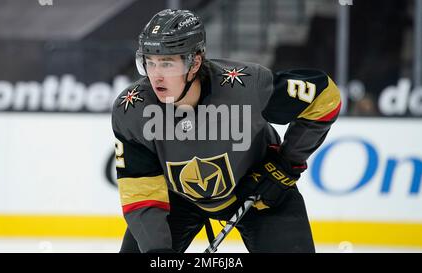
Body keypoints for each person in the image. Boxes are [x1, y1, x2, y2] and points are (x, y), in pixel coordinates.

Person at [112, 9, 341, 253]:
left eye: (167, 63)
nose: (155, 76)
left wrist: (286, 162)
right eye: (149, 62)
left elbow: (324, 97)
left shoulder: (246, 88)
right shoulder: (133, 109)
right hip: (177, 198)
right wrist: (158, 254)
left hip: (258, 189)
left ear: (195, 62)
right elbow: (141, 190)